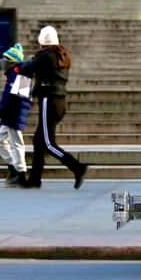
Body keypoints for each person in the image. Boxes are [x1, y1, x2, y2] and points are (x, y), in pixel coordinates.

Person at [16, 25, 88, 189]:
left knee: (48, 143)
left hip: (49, 100)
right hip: (59, 102)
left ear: (43, 42)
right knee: (38, 141)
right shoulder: (61, 55)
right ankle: (34, 179)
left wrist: (16, 66)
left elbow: (28, 68)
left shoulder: (46, 56)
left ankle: (77, 167)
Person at [0, 43, 30, 187]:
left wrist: (10, 113)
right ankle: (14, 166)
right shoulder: (12, 75)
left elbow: (20, 99)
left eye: (5, 59)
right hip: (9, 114)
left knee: (16, 143)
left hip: (13, 114)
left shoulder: (20, 75)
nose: (3, 62)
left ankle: (20, 172)